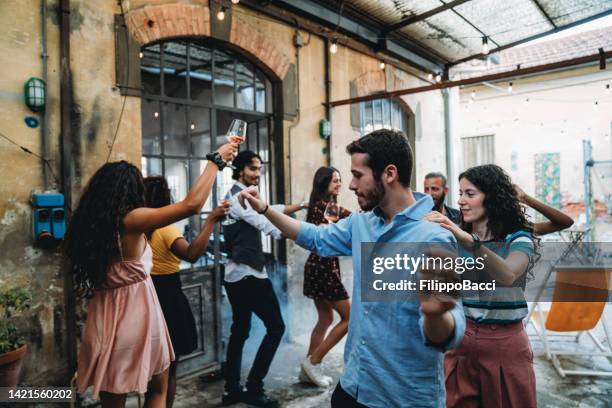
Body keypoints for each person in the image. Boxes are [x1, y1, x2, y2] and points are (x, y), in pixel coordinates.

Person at [238, 129, 465, 408]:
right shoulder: (362, 223)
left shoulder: (434, 237)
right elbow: (314, 237)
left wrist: (434, 314)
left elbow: (448, 336)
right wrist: (265, 209)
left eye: (358, 175)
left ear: (389, 174)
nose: (351, 185)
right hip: (352, 388)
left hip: (402, 399)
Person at [65, 143, 236, 408]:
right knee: (157, 389)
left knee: (113, 395)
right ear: (132, 190)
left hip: (103, 315)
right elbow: (192, 205)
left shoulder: (90, 225)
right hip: (137, 313)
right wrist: (215, 162)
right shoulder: (131, 220)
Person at [425, 164, 539, 408]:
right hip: (460, 344)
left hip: (505, 347)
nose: (462, 201)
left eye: (470, 193)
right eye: (461, 193)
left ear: (492, 198)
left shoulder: (517, 238)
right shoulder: (454, 240)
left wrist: (471, 244)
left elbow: (508, 274)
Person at [222, 150, 306, 408]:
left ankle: (232, 389)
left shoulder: (236, 194)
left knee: (240, 331)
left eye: (259, 169)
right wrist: (300, 232)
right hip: (249, 275)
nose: (257, 174)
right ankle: (254, 387)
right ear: (239, 171)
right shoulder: (240, 197)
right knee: (276, 327)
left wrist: (300, 206)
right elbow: (265, 223)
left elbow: (273, 210)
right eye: (252, 169)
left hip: (235, 276)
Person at [143, 176, 230, 408]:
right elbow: (192, 254)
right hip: (168, 300)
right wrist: (211, 220)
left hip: (146, 299)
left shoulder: (138, 230)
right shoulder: (165, 229)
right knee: (167, 372)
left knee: (152, 372)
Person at [299, 166, 351, 387]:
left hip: (318, 266)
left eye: (340, 180)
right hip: (323, 268)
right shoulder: (325, 207)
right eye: (335, 181)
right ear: (324, 184)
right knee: (351, 317)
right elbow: (351, 218)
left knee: (326, 318)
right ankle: (314, 361)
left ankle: (308, 369)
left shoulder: (321, 204)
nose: (339, 184)